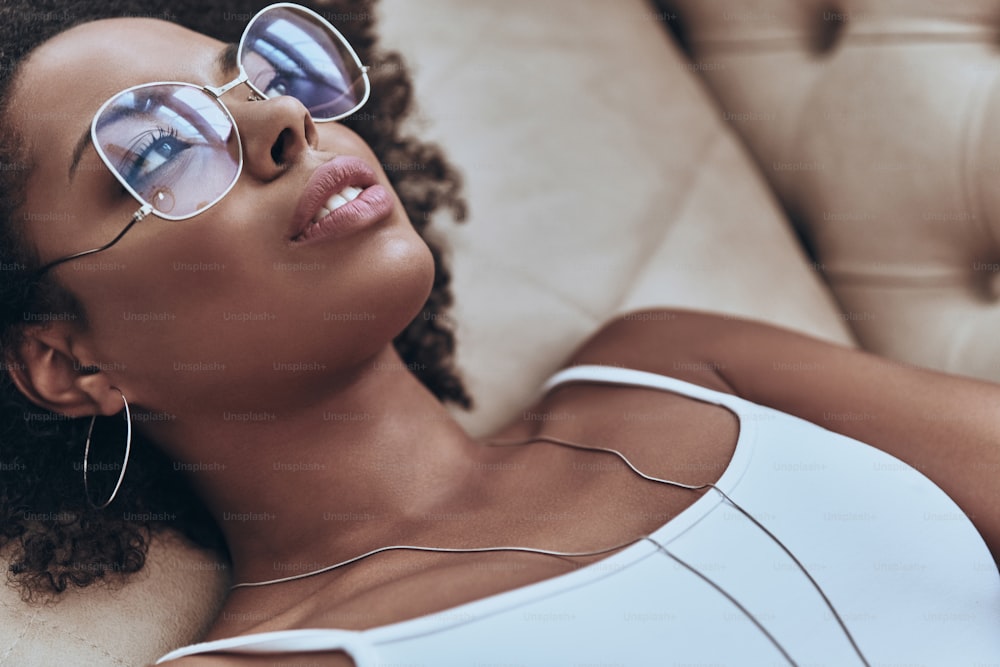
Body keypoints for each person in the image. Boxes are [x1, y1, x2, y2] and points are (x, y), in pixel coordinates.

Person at [0, 2, 997, 666]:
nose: (279, 126)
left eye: (264, 80)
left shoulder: (675, 365)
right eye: (164, 147)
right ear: (71, 361)